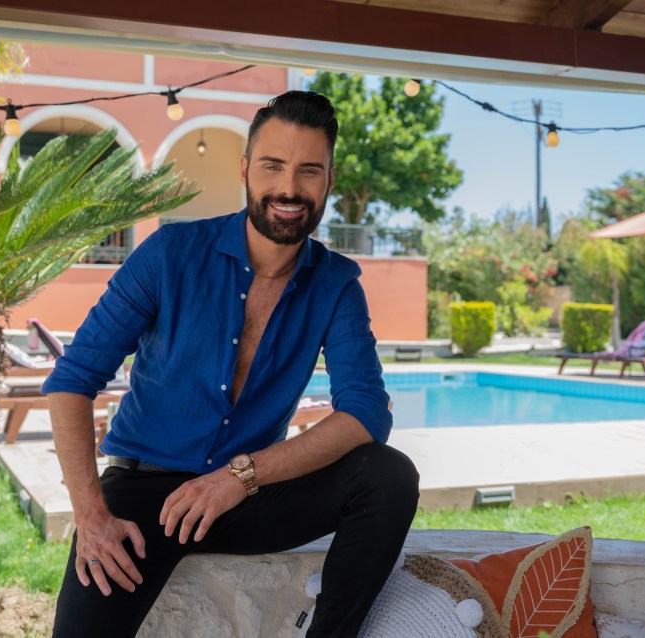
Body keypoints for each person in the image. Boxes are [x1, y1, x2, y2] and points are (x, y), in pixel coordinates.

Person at [43, 90, 420, 637]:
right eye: (273, 166)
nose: (289, 189)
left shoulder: (336, 283)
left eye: (309, 171)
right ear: (245, 169)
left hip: (249, 498)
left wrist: (240, 478)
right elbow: (72, 381)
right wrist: (90, 515)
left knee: (388, 476)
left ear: (329, 180)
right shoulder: (169, 253)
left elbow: (365, 414)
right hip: (145, 498)